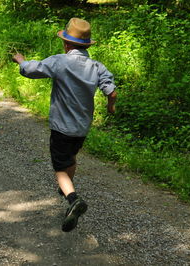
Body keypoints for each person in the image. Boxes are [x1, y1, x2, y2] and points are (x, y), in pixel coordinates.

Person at [12, 18, 117, 232]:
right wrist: (111, 107)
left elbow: (33, 70)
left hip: (62, 127)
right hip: (82, 127)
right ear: (86, 45)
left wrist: (21, 61)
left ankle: (73, 199)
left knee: (59, 167)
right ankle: (66, 187)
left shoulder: (60, 61)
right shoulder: (97, 66)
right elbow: (111, 91)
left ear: (66, 44)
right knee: (70, 157)